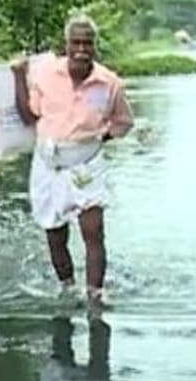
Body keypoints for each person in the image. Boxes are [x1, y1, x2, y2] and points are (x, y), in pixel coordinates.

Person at [11, 16, 134, 306]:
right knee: (54, 232)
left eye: (87, 43)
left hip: (87, 162)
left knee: (93, 230)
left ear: (95, 46)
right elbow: (29, 116)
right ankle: (67, 288)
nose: (81, 50)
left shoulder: (109, 83)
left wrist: (100, 138)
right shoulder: (45, 75)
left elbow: (124, 122)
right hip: (50, 163)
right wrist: (18, 77)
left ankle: (95, 295)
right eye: (75, 43)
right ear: (65, 45)